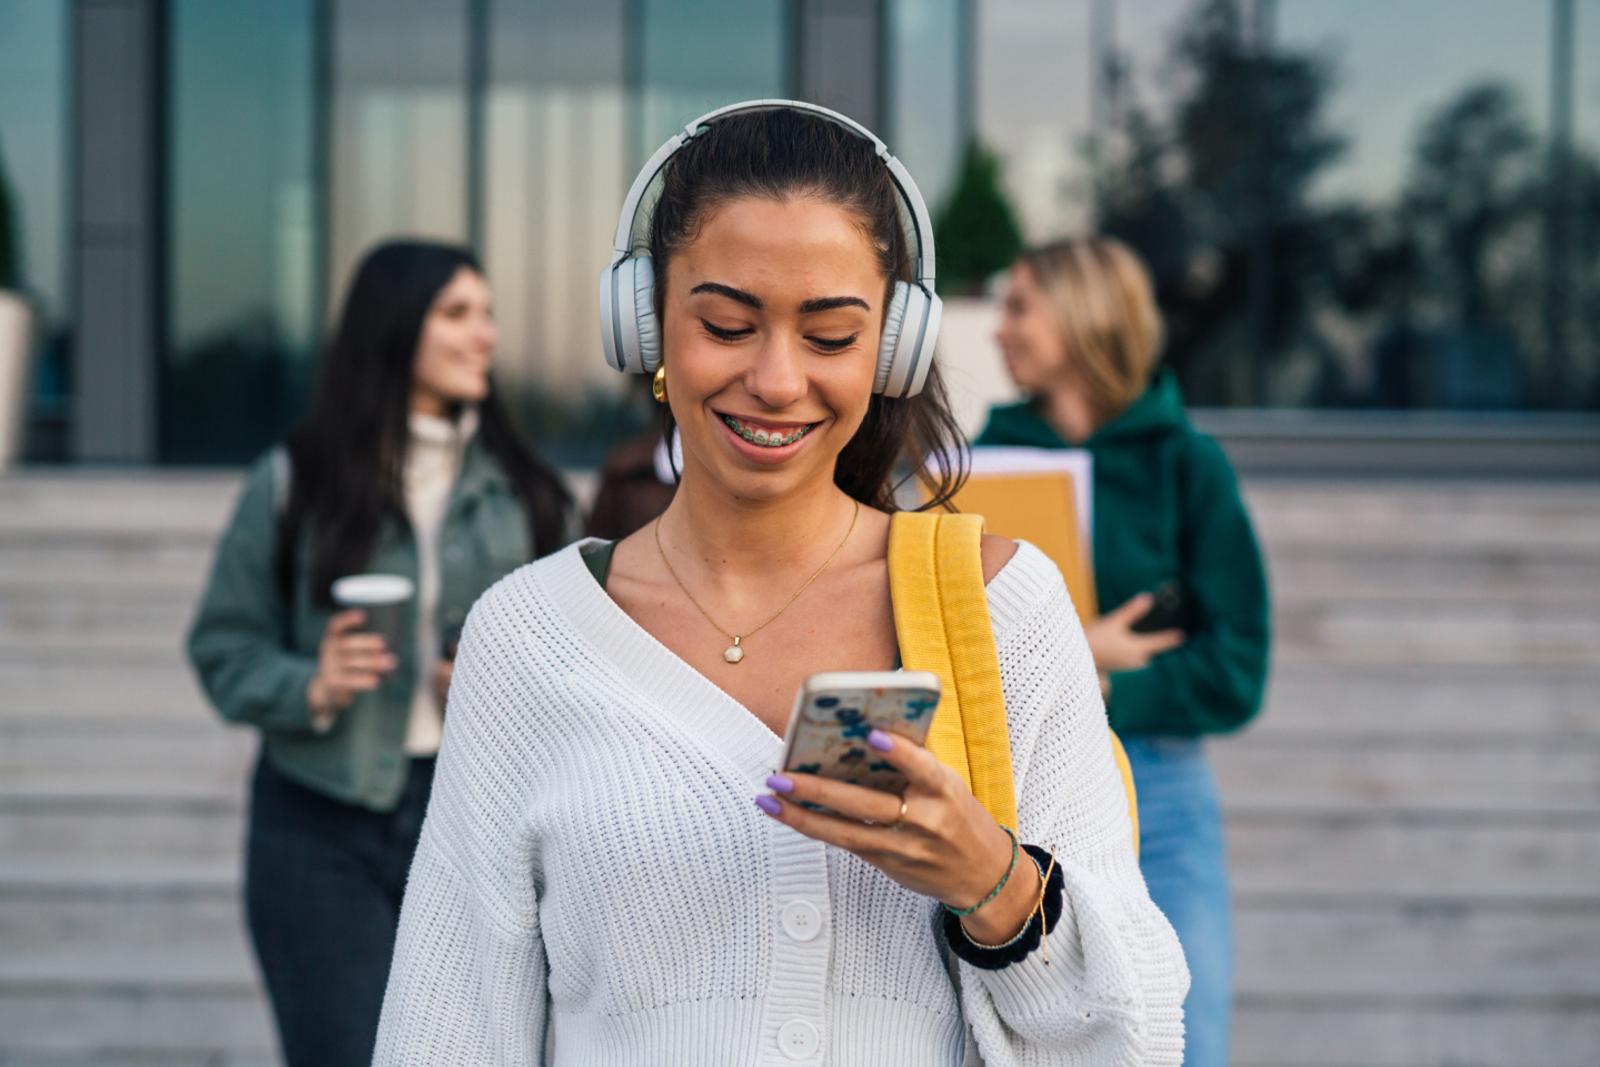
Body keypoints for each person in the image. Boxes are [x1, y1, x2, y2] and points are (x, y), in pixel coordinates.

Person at [375, 103, 1187, 1065]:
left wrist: (997, 885)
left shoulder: (1001, 609)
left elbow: (1136, 1038)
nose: (775, 378)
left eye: (832, 337)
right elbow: (449, 1029)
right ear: (646, 327)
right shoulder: (526, 638)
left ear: (893, 348)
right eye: (726, 324)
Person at [186, 240, 574, 1067]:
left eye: (489, 315)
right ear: (396, 328)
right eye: (458, 314)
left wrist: (498, 674)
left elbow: (579, 653)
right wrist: (312, 684)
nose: (486, 336)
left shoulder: (527, 489)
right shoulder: (294, 480)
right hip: (320, 820)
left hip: (479, 815)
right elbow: (221, 646)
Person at [978, 236, 1271, 1067]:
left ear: (1082, 315)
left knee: (1185, 1041)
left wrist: (1099, 684)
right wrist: (1083, 653)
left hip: (1162, 789)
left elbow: (1238, 666)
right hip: (1025, 781)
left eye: (1019, 306)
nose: (1001, 329)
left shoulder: (1190, 468)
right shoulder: (976, 461)